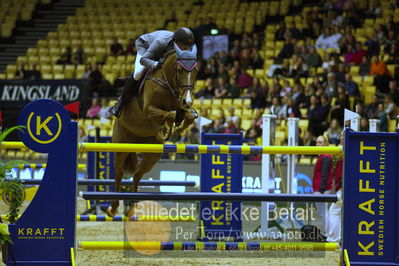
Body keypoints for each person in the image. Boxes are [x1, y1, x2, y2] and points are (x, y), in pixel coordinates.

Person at [109, 28, 195, 117]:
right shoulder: (161, 42)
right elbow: (144, 59)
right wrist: (156, 64)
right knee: (138, 73)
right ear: (176, 42)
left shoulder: (182, 45)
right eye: (184, 46)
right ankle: (120, 103)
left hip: (161, 53)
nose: (185, 49)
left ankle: (186, 106)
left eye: (187, 47)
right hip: (145, 47)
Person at [312, 135, 333, 237]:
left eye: (320, 142)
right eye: (317, 142)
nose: (318, 144)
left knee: (323, 213)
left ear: (325, 144)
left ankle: (326, 234)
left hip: (321, 189)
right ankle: (326, 233)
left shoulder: (325, 156)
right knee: (323, 212)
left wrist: (321, 189)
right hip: (320, 188)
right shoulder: (323, 156)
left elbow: (324, 175)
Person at [326, 131, 344, 243]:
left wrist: (341, 186)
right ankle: (338, 237)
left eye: (343, 135)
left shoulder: (347, 150)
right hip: (340, 186)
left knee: (334, 210)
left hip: (344, 188)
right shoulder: (339, 151)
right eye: (341, 135)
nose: (341, 137)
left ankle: (334, 238)